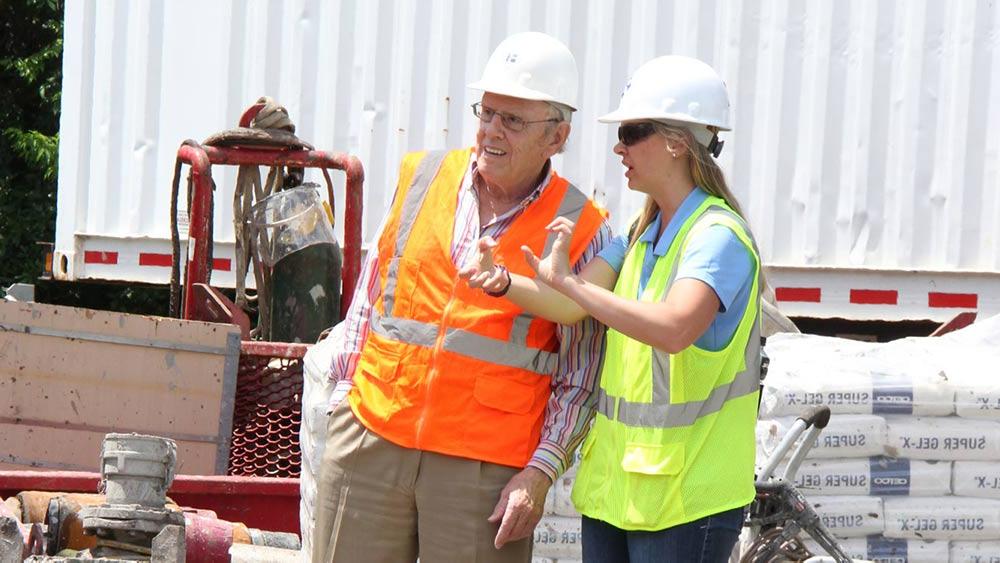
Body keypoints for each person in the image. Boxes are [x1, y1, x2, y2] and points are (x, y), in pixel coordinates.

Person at [312, 31, 612, 563]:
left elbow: (581, 371)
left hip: (485, 472)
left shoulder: (582, 228)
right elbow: (371, 299)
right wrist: (342, 405)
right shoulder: (422, 176)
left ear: (558, 136)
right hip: (371, 439)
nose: (492, 131)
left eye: (513, 120)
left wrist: (540, 473)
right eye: (487, 112)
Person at [462, 55, 762, 562]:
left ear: (678, 142)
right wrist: (504, 283)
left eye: (631, 131)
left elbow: (672, 328)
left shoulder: (717, 237)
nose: (618, 147)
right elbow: (567, 304)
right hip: (622, 492)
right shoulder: (641, 232)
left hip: (686, 498)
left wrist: (574, 288)